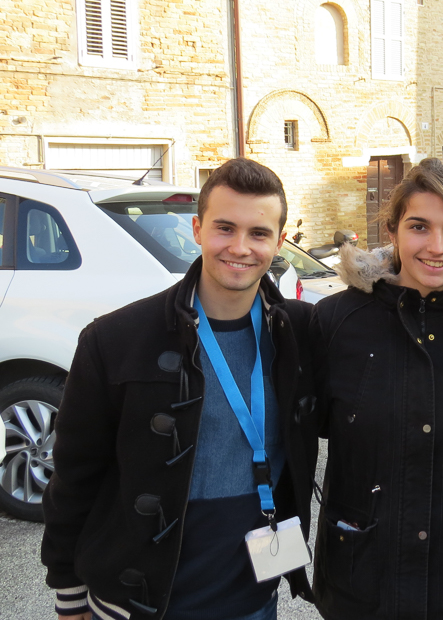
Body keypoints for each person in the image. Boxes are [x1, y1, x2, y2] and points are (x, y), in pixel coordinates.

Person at [41, 158, 318, 620]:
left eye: (258, 233)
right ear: (197, 229)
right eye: (224, 228)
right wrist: (68, 589)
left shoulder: (301, 332)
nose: (240, 247)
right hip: (136, 604)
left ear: (279, 241)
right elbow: (75, 474)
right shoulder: (115, 340)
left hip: (253, 602)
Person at [309, 158, 443, 620]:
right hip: (361, 582)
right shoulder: (336, 321)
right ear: (392, 231)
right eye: (419, 227)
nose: (437, 247)